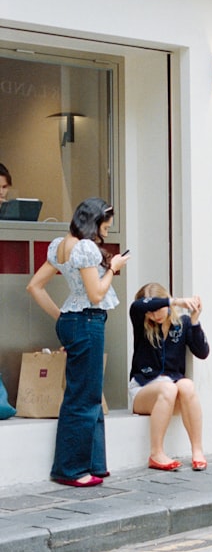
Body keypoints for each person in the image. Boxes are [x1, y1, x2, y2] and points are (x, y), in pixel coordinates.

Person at [27, 197, 129, 487]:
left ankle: (94, 464)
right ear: (93, 222)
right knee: (84, 396)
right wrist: (113, 268)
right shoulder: (85, 247)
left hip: (75, 320)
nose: (106, 234)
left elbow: (34, 286)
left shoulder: (61, 244)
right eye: (105, 228)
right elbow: (96, 294)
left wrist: (62, 317)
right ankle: (70, 469)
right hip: (87, 320)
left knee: (90, 394)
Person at [129, 283, 209, 471]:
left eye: (159, 310)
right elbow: (137, 307)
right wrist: (176, 301)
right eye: (151, 312)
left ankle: (197, 450)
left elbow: (203, 352)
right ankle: (156, 453)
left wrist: (195, 322)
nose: (155, 315)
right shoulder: (141, 323)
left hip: (170, 392)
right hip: (143, 390)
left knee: (187, 385)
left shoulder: (181, 324)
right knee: (169, 387)